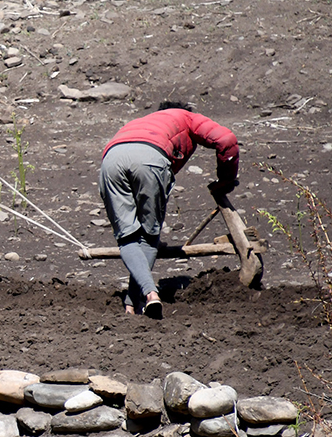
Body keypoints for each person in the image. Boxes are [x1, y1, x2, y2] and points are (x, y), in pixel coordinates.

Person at [99, 101, 239, 318]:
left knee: (127, 238)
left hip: (111, 160)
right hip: (150, 158)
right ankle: (150, 295)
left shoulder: (141, 121)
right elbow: (226, 140)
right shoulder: (187, 117)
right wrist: (225, 180)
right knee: (148, 236)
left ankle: (131, 305)